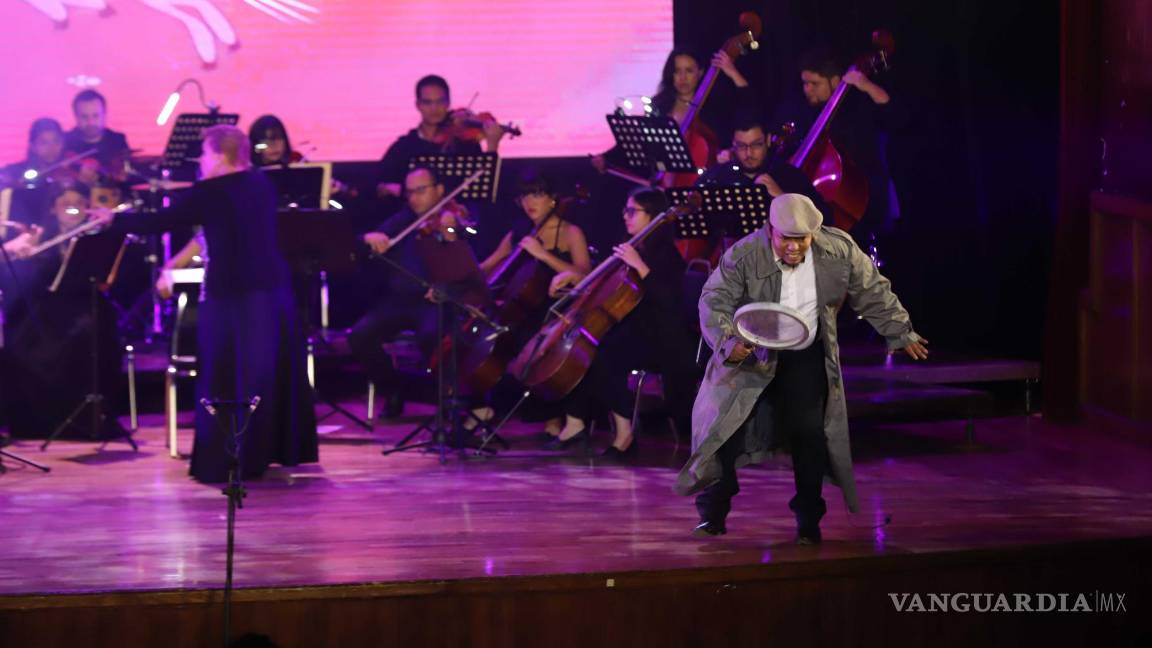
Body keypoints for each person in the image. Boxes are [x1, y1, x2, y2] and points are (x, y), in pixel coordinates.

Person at [675, 193, 928, 544]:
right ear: (770, 231)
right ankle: (712, 516)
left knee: (810, 434)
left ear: (814, 233)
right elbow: (714, 300)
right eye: (785, 239)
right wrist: (730, 340)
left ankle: (808, 522)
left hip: (805, 354)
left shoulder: (839, 251)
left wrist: (899, 330)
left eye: (802, 239)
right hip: (753, 352)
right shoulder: (745, 254)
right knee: (723, 432)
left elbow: (872, 290)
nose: (793, 247)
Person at [104, 125, 317, 483]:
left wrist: (113, 219)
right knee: (262, 376)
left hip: (233, 297)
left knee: (226, 375)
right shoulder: (260, 184)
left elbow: (162, 221)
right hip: (272, 294)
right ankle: (261, 455)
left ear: (219, 155)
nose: (201, 162)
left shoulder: (211, 191)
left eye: (203, 154)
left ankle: (228, 461)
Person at [546, 187, 697, 457]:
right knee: (587, 347)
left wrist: (640, 266)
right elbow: (608, 291)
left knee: (603, 353)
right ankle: (575, 422)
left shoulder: (667, 256)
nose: (625, 216)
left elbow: (669, 304)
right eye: (625, 210)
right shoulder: (632, 247)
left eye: (632, 211)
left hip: (662, 338)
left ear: (652, 216)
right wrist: (575, 281)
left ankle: (625, 434)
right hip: (632, 330)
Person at [348, 165, 481, 418]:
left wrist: (450, 230)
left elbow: (468, 262)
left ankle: (446, 402)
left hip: (436, 300)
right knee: (360, 336)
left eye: (420, 191)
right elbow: (367, 240)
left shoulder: (453, 217)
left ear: (440, 190)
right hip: (399, 300)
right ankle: (394, 389)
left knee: (432, 335)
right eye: (409, 192)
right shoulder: (405, 217)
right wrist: (369, 237)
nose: (413, 198)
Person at [1, 183, 125, 440]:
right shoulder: (39, 236)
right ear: (53, 209)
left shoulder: (95, 238)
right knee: (31, 346)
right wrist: (25, 256)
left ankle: (89, 417)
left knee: (94, 332)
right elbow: (24, 284)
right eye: (64, 204)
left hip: (82, 305)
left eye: (78, 203)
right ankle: (42, 422)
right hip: (44, 312)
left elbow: (104, 280)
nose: (71, 209)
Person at [773, 47, 900, 247]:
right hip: (828, 210)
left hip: (864, 200)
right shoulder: (807, 112)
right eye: (805, 83)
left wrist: (864, 84)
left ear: (834, 81)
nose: (807, 89)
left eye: (814, 83)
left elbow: (892, 114)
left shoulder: (856, 104)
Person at [377, 75, 506, 200]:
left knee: (467, 223)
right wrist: (388, 188)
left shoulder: (464, 144)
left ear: (448, 103)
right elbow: (376, 185)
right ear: (418, 105)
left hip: (458, 221)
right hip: (416, 220)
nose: (434, 108)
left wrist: (492, 145)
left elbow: (485, 189)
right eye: (428, 102)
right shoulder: (405, 146)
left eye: (440, 101)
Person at [63, 90, 132, 187]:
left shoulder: (117, 140)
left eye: (95, 116)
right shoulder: (65, 141)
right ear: (76, 116)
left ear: (104, 114)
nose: (90, 122)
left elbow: (126, 176)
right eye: (84, 117)